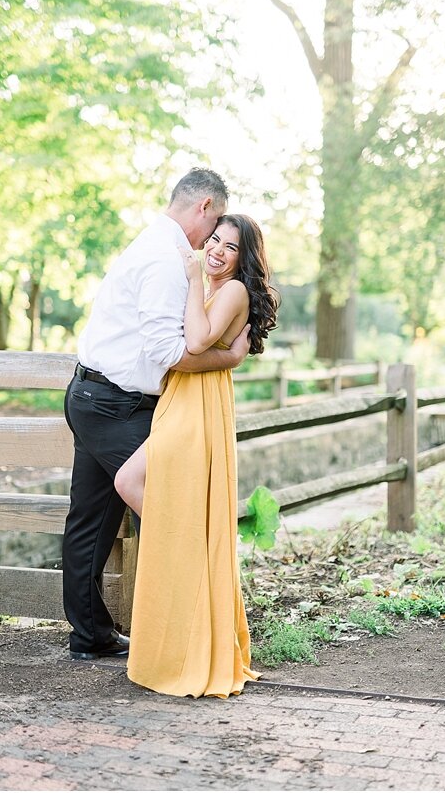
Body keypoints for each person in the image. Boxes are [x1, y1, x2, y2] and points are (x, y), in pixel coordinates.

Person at [63, 168, 249, 661]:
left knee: (93, 521)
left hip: (92, 395)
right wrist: (228, 360)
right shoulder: (167, 260)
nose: (211, 242)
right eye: (213, 231)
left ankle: (92, 636)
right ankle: (188, 633)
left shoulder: (152, 244)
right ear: (205, 206)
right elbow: (173, 351)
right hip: (114, 404)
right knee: (178, 505)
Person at [117, 214, 279, 698]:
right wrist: (226, 356)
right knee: (136, 484)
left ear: (243, 257)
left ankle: (187, 550)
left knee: (129, 480)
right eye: (213, 241)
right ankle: (190, 548)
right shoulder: (214, 286)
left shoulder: (231, 291)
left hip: (197, 408)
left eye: (230, 247)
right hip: (182, 400)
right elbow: (201, 347)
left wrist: (192, 280)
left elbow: (193, 341)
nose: (216, 251)